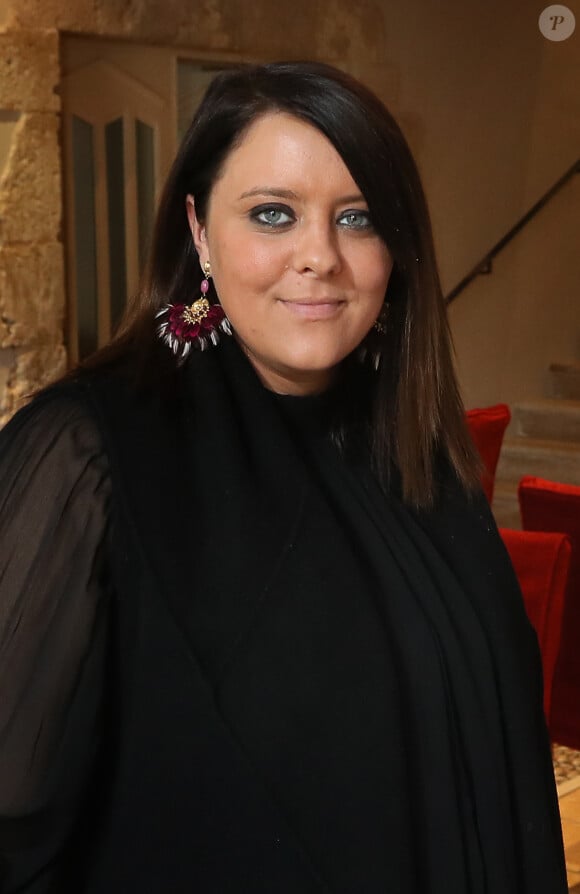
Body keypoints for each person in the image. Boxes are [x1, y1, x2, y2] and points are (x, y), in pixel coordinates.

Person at [0, 61, 566, 893]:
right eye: (273, 214)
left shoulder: (419, 455)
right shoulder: (88, 453)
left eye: (359, 218)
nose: (320, 257)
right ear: (198, 231)